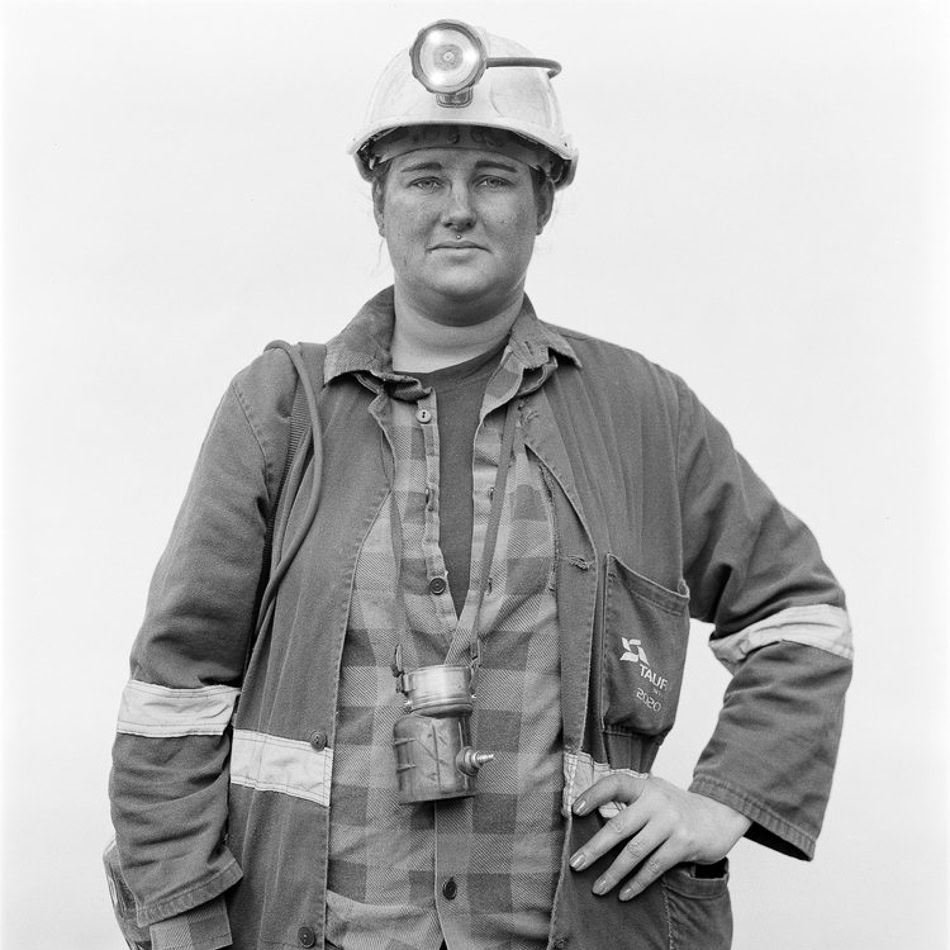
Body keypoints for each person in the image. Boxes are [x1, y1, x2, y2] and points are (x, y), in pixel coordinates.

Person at [108, 19, 853, 950]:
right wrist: (179, 917)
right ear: (378, 204)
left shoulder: (642, 412)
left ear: (544, 205)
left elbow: (800, 615)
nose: (458, 206)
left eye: (495, 177)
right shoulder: (280, 412)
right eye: (425, 177)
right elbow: (175, 687)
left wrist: (723, 801)